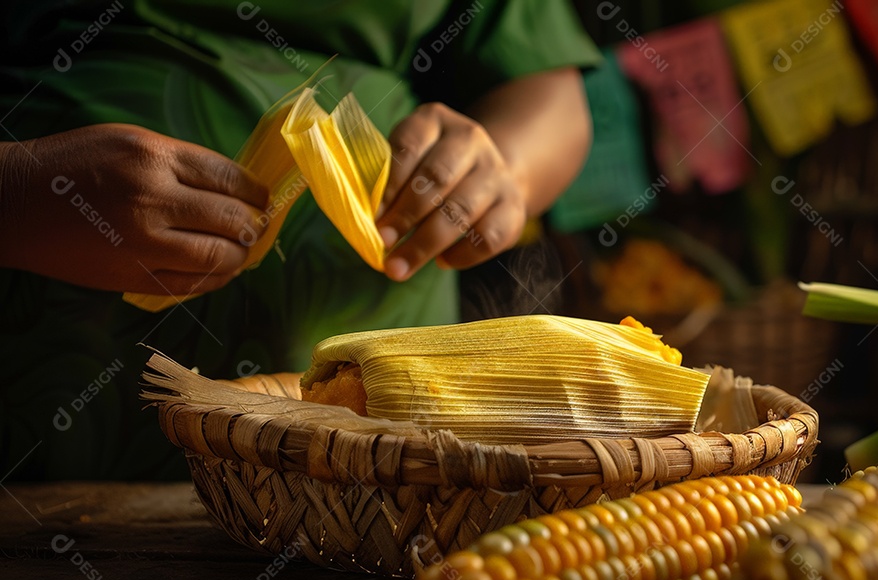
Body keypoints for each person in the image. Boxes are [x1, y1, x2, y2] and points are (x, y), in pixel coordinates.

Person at [0, 0, 600, 479]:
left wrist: (508, 167)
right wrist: (22, 194)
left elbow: (548, 90)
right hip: (46, 411)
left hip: (373, 451)